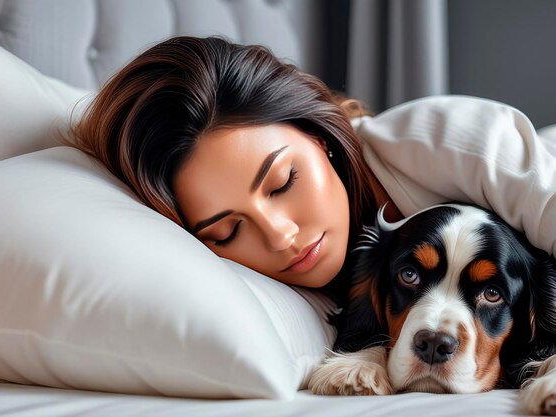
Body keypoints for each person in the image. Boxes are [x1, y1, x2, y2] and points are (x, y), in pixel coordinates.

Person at [71, 36, 556, 300]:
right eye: (226, 232)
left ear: (319, 136)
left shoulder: (449, 141)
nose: (280, 237)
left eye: (283, 182)